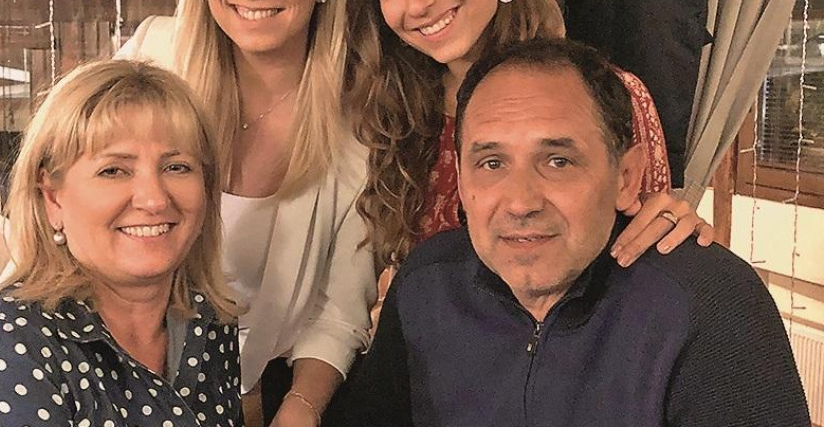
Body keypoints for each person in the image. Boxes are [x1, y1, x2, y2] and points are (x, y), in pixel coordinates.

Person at [342, 38, 810, 427]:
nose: (521, 202)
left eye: (558, 161)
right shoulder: (427, 284)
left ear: (626, 177)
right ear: (461, 181)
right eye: (492, 163)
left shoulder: (707, 302)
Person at [346, 0, 713, 272]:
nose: (416, 4)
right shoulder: (396, 115)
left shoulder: (605, 97)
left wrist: (672, 226)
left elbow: (645, 259)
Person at [119, 0, 376, 426]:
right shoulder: (151, 56)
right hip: (103, 385)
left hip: (242, 404)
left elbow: (337, 313)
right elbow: (65, 223)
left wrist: (300, 409)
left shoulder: (359, 130)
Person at [0, 59, 242, 426]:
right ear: (52, 198)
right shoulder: (7, 345)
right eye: (113, 170)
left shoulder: (208, 324)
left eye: (177, 167)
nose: (154, 200)